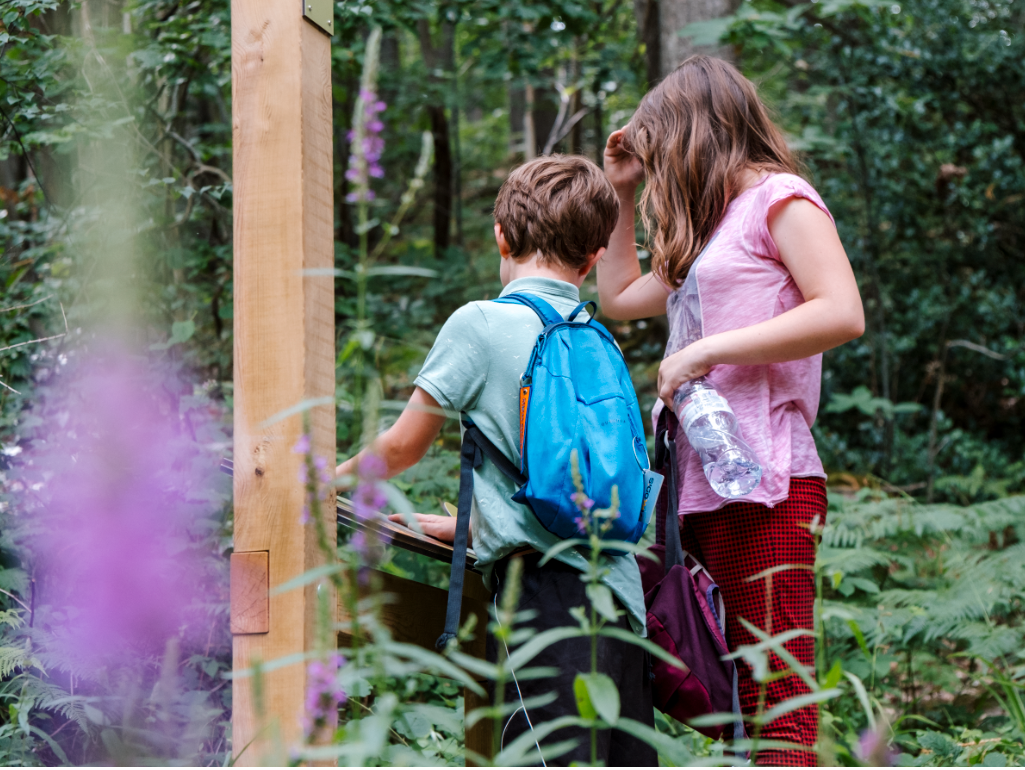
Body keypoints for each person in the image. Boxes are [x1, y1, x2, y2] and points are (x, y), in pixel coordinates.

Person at [337, 155, 656, 766]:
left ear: (502, 235)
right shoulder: (599, 338)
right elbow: (579, 488)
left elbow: (404, 446)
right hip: (621, 603)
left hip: (541, 605)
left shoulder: (481, 324)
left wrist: (324, 479)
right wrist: (477, 528)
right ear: (593, 259)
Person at [597, 56, 865, 766]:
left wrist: (701, 352)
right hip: (700, 489)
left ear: (693, 134)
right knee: (731, 705)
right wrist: (620, 193)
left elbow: (841, 311)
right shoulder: (710, 228)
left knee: (780, 708)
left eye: (656, 158)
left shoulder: (782, 200)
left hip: (768, 483)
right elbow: (617, 297)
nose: (656, 175)